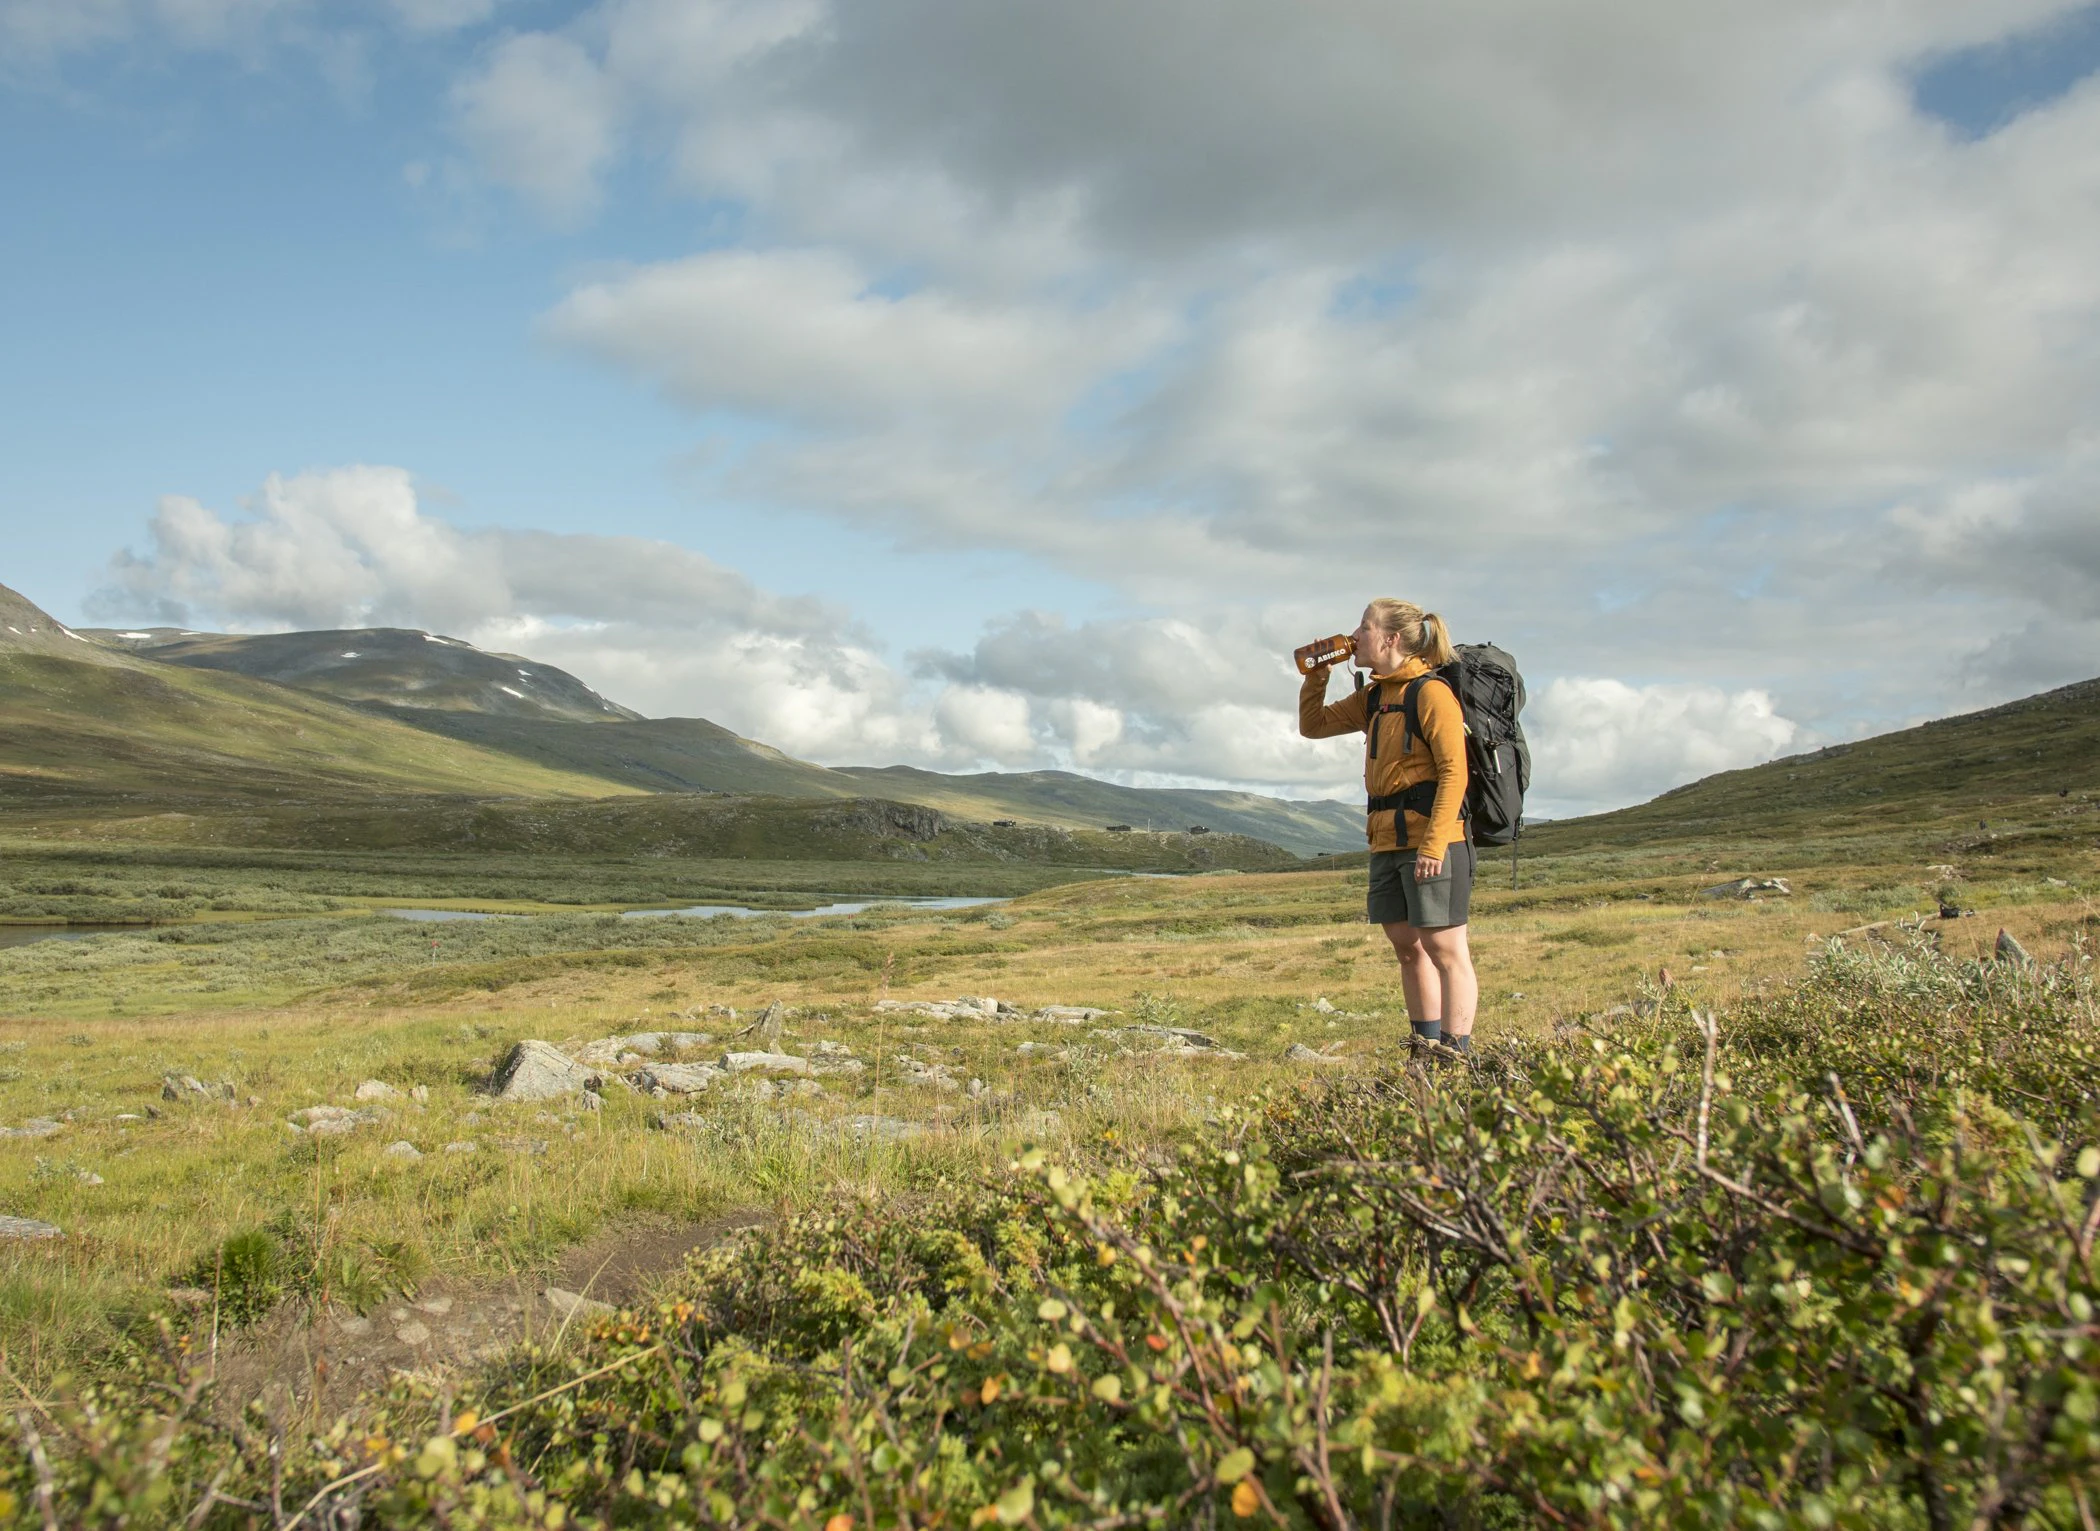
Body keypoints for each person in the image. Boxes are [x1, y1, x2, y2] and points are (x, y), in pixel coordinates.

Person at [1299, 599, 1478, 1055]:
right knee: (1407, 947)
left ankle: (1457, 1056)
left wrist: (1434, 846)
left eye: (1364, 627)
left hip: (1434, 839)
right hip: (1386, 839)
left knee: (1445, 949)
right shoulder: (1376, 696)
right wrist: (1316, 673)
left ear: (1390, 639)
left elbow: (1455, 773)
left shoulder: (1430, 693)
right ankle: (1425, 1048)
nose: (1354, 635)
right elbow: (1313, 726)